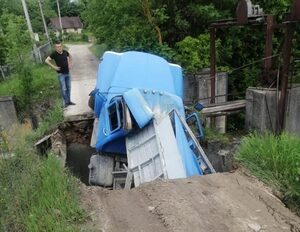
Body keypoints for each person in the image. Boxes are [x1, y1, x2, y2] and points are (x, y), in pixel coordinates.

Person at [45, 41, 76, 108]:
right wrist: (54, 67)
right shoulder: (54, 54)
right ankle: (65, 102)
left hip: (67, 73)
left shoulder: (65, 52)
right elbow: (46, 60)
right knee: (63, 89)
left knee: (68, 88)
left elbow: (70, 56)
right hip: (61, 74)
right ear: (55, 48)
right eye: (57, 47)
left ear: (61, 46)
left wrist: (70, 64)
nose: (59, 48)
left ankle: (69, 101)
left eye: (60, 46)